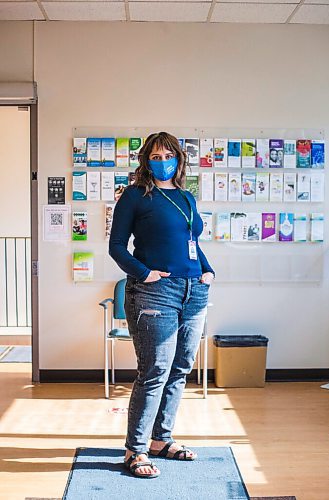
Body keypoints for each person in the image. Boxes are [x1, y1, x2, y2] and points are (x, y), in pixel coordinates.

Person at [109, 131, 215, 479]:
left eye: (169, 154)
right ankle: (135, 450)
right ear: (146, 160)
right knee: (154, 371)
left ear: (179, 159)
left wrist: (208, 269)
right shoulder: (135, 196)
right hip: (155, 292)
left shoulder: (186, 197)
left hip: (194, 290)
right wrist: (144, 273)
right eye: (155, 156)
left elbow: (190, 242)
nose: (163, 161)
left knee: (180, 368)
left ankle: (160, 440)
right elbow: (117, 247)